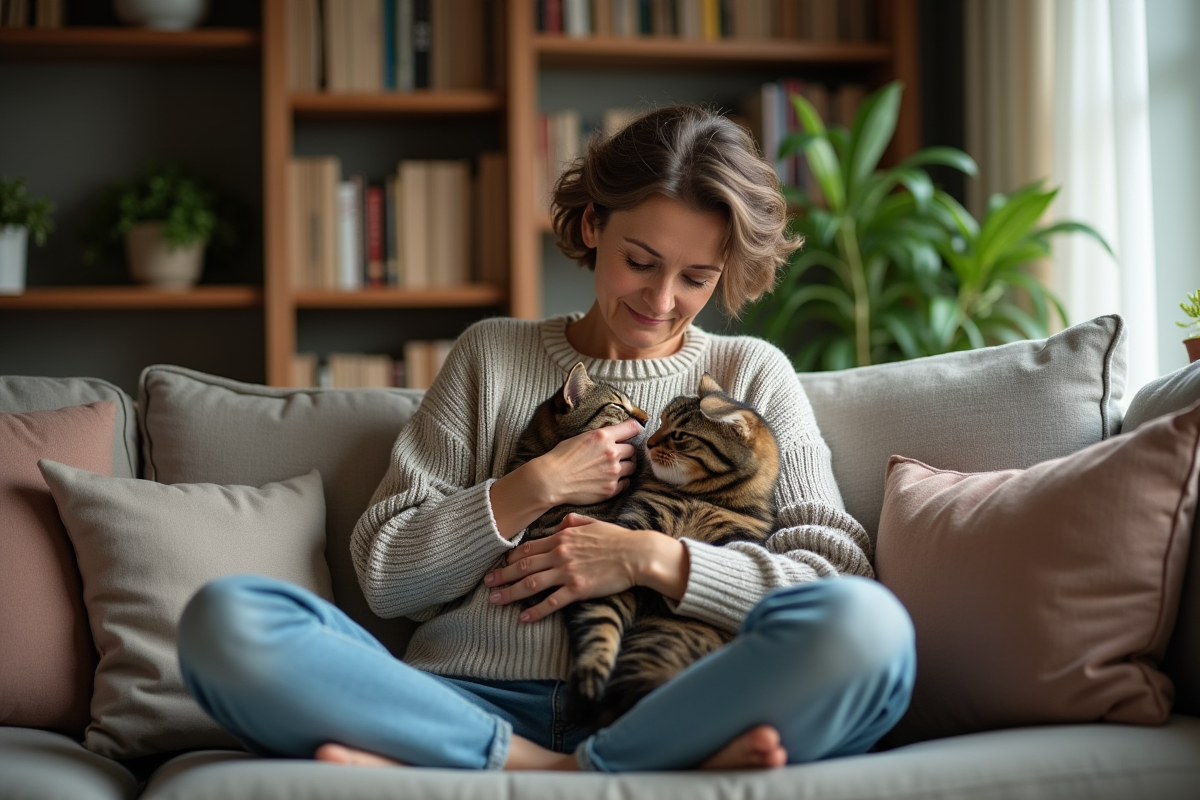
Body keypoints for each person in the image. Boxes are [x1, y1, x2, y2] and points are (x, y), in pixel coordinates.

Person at [176, 104, 916, 773]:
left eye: (696, 278)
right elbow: (385, 574)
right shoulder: (490, 355)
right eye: (639, 262)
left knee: (872, 631)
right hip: (467, 699)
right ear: (593, 225)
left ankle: (530, 762)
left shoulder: (751, 374)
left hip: (667, 699)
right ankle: (579, 767)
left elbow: (836, 579)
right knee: (226, 622)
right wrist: (534, 486)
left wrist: (649, 559)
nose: (661, 300)